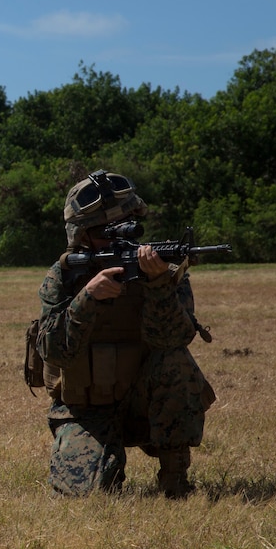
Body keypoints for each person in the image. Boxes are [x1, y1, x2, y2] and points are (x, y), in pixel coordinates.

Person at [36, 169, 215, 498]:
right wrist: (87, 298)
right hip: (85, 409)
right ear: (82, 235)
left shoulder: (162, 269)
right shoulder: (64, 276)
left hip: (143, 403)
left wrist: (159, 285)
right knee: (84, 496)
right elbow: (53, 351)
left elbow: (174, 340)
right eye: (105, 231)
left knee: (175, 361)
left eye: (127, 224)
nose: (120, 237)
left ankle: (175, 480)